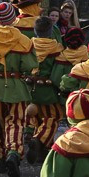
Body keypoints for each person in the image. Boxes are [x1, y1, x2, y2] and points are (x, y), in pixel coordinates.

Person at [0, 2, 39, 177]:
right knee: (17, 121)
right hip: (16, 85)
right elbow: (30, 64)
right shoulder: (24, 41)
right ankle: (14, 152)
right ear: (13, 19)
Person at [24, 16, 67, 165]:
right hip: (48, 91)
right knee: (52, 118)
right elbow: (57, 73)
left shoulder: (28, 45)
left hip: (30, 88)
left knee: (34, 115)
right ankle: (39, 139)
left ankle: (40, 147)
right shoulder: (57, 48)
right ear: (50, 31)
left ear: (35, 31)